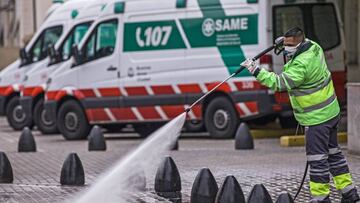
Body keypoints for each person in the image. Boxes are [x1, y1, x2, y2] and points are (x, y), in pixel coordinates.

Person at [241, 27, 359, 203]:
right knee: (334, 154)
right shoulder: (313, 46)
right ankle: (350, 193)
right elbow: (295, 46)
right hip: (331, 113)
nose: (286, 49)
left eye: (289, 45)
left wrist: (256, 70)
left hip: (317, 119)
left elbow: (279, 83)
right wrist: (284, 43)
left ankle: (321, 198)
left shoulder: (301, 66)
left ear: (297, 44)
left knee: (317, 160)